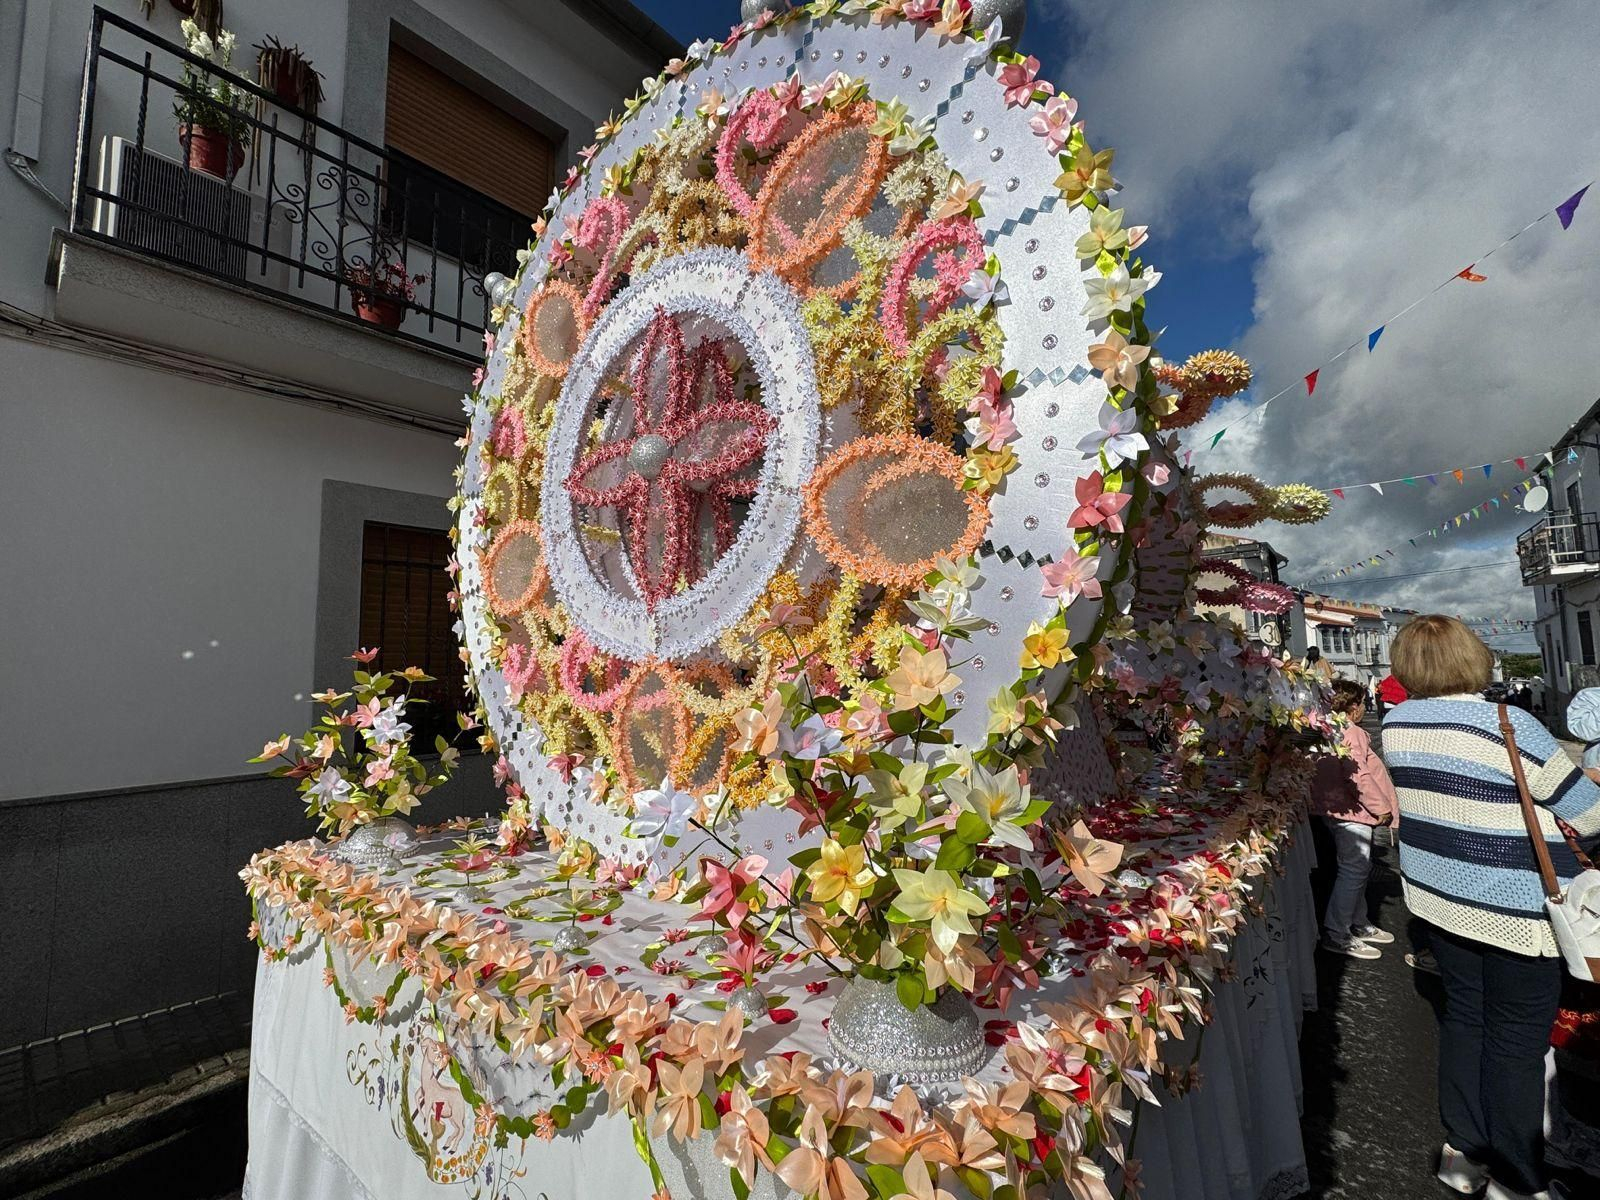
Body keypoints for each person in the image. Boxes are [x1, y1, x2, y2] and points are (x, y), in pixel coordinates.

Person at [1382, 615, 1600, 1200]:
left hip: (1439, 898)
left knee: (1466, 1020)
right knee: (1516, 1043)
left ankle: (1463, 1149)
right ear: (1472, 657)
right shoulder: (1508, 723)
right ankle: (1516, 1177)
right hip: (1514, 907)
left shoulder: (1397, 722)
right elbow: (1589, 811)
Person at [1312, 678, 1398, 958]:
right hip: (1354, 810)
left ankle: (1358, 922)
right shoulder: (1352, 732)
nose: (1363, 708)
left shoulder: (1325, 730)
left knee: (1355, 869)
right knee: (1354, 869)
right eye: (1361, 703)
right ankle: (1337, 931)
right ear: (1352, 706)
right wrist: (1380, 806)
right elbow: (1359, 776)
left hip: (1333, 808)